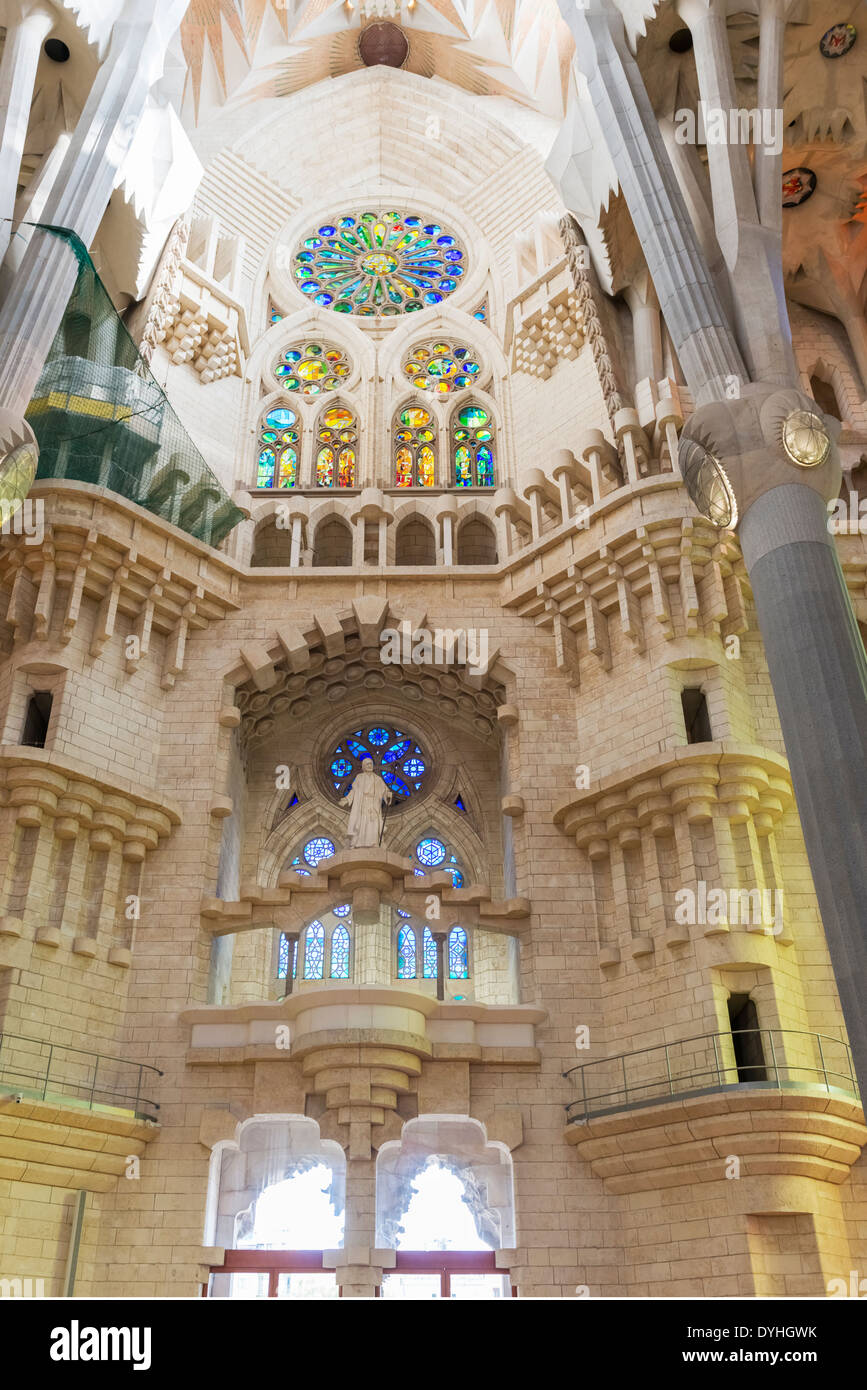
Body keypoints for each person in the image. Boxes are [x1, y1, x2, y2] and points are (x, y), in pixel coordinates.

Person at [340, 757, 392, 847]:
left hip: (374, 803)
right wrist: (346, 799)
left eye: (371, 764)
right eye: (367, 764)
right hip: (362, 803)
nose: (369, 766)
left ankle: (374, 842)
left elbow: (384, 790)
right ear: (363, 766)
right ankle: (357, 842)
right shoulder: (359, 777)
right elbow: (354, 790)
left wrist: (388, 795)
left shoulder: (378, 779)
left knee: (373, 823)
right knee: (361, 822)